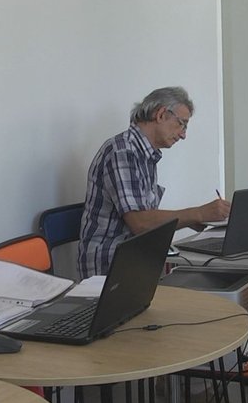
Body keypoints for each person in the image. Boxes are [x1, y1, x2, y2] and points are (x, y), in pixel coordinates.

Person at [78, 87, 231, 279]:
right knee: (201, 284)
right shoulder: (122, 152)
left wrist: (193, 219)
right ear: (161, 114)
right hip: (108, 265)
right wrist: (198, 213)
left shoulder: (145, 155)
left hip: (136, 258)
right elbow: (141, 223)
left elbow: (146, 220)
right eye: (182, 124)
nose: (183, 134)